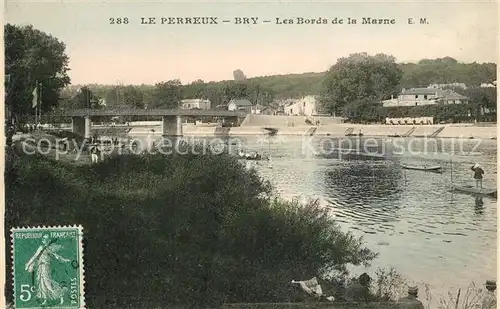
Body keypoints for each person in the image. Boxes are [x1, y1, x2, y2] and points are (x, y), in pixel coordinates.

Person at [25, 233, 71, 306]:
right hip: (40, 267)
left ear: (49, 240)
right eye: (43, 238)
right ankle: (45, 300)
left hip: (46, 268)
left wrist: (65, 260)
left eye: (46, 239)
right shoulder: (41, 247)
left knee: (48, 284)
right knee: (42, 284)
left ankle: (61, 296)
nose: (44, 240)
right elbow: (35, 256)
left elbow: (57, 257)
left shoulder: (49, 248)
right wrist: (28, 264)